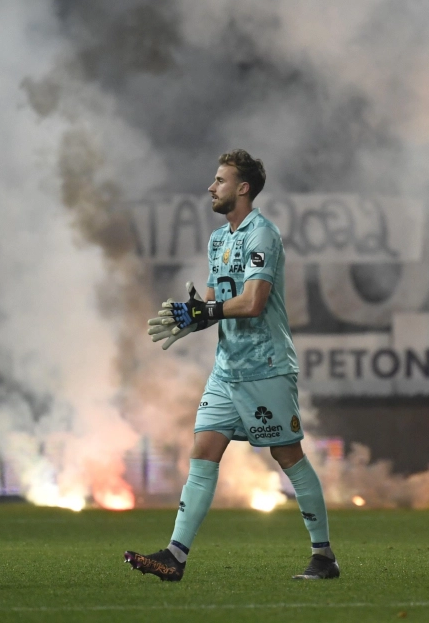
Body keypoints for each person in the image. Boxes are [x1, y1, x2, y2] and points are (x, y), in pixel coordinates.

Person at [125, 150, 339, 582]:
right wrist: (191, 315)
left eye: (220, 180)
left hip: (265, 366)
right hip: (227, 370)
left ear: (243, 188)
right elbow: (212, 300)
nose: (211, 186)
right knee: (203, 451)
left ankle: (324, 557)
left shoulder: (264, 236)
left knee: (288, 456)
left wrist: (209, 313)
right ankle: (175, 556)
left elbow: (254, 302)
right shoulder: (219, 240)